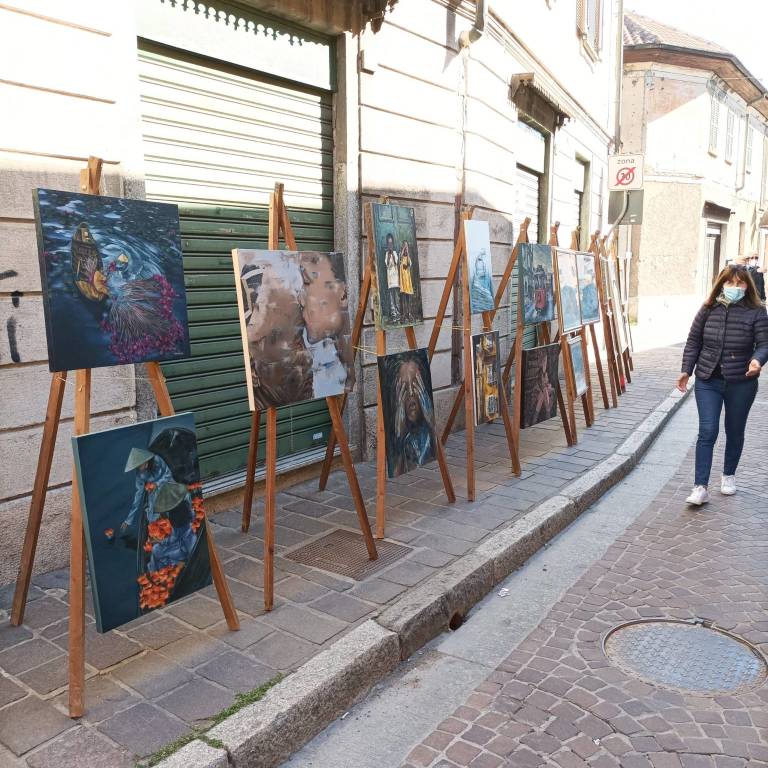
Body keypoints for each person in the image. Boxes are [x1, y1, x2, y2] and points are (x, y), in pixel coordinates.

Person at [676, 264, 768, 505]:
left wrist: (757, 360)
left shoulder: (757, 311)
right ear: (721, 284)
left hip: (742, 382)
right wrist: (686, 370)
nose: (734, 288)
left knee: (734, 431)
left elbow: (764, 344)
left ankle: (728, 476)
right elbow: (693, 341)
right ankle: (700, 487)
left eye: (740, 283)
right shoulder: (708, 308)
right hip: (709, 379)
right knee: (708, 430)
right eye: (730, 283)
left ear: (747, 286)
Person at [383, 233, 401, 323]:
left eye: (391, 244)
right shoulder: (387, 254)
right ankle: (393, 313)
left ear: (393, 244)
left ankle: (398, 312)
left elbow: (396, 262)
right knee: (391, 298)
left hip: (396, 279)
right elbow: (386, 264)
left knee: (396, 297)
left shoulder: (395, 253)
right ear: (387, 244)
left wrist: (392, 254)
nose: (390, 245)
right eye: (388, 244)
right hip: (390, 279)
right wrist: (389, 254)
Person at [398, 240, 415, 323]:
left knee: (408, 298)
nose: (405, 249)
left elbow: (409, 264)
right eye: (404, 247)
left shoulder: (408, 257)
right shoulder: (400, 257)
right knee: (403, 298)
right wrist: (403, 249)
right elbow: (400, 262)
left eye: (407, 247)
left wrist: (407, 253)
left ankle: (408, 313)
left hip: (407, 281)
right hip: (403, 282)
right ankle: (404, 315)